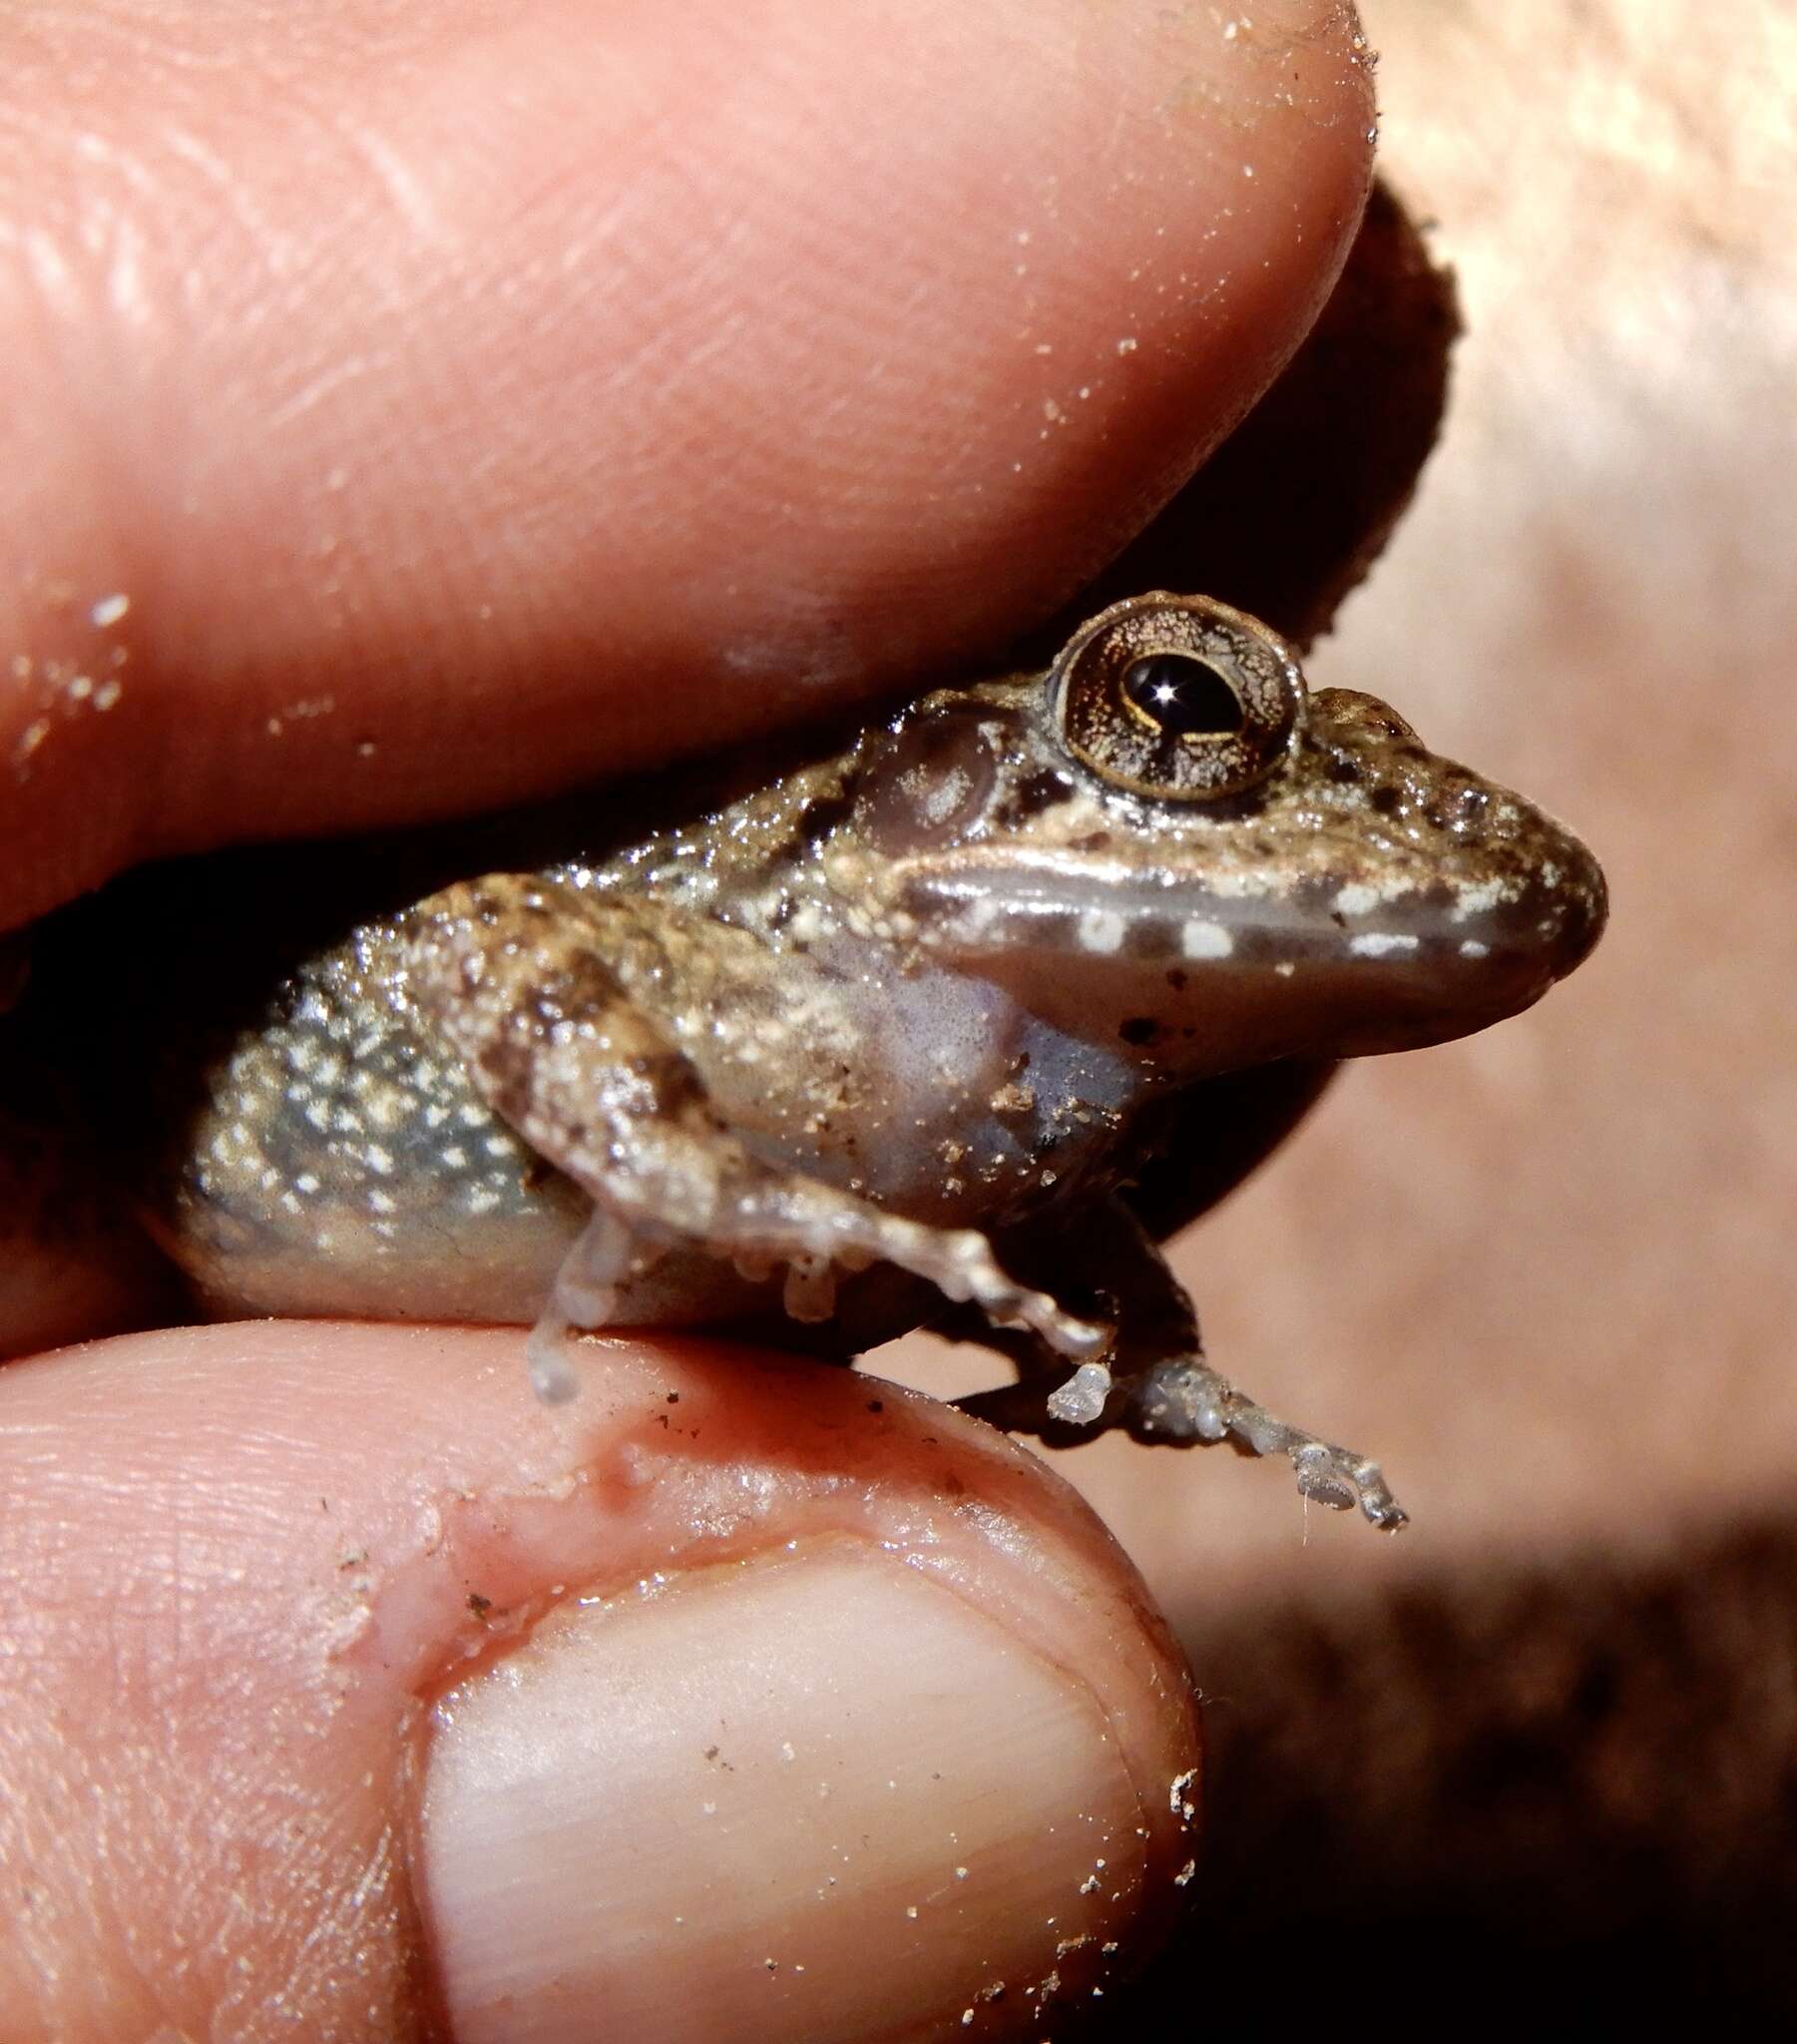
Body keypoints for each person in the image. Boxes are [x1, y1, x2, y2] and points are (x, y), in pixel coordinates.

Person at [0, 3, 1376, 2035]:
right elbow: (487, 946)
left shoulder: (1025, 1081)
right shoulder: (778, 954)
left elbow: (1042, 1209)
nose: (1213, 778)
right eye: (1182, 723)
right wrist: (677, 1166)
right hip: (119, 1100)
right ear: (951, 781)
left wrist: (1137, 1346)